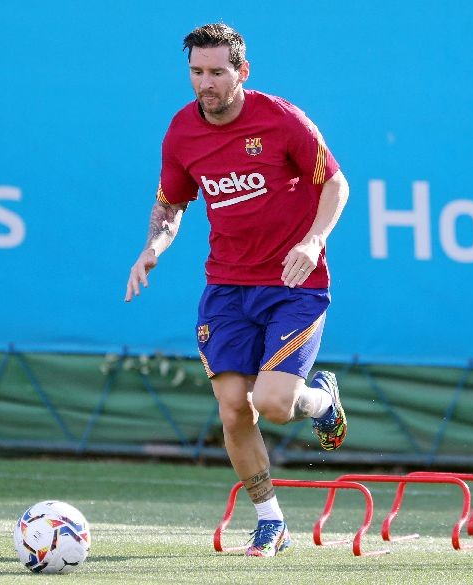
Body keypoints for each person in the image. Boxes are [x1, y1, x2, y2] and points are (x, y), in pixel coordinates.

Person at [124, 23, 349, 557]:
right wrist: (152, 247)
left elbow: (335, 183)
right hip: (226, 287)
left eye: (217, 73)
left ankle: (321, 400)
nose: (206, 84)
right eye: (197, 73)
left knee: (273, 404)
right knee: (232, 409)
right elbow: (172, 203)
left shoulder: (281, 119)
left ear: (241, 72)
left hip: (293, 284)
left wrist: (314, 242)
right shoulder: (181, 132)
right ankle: (270, 521)